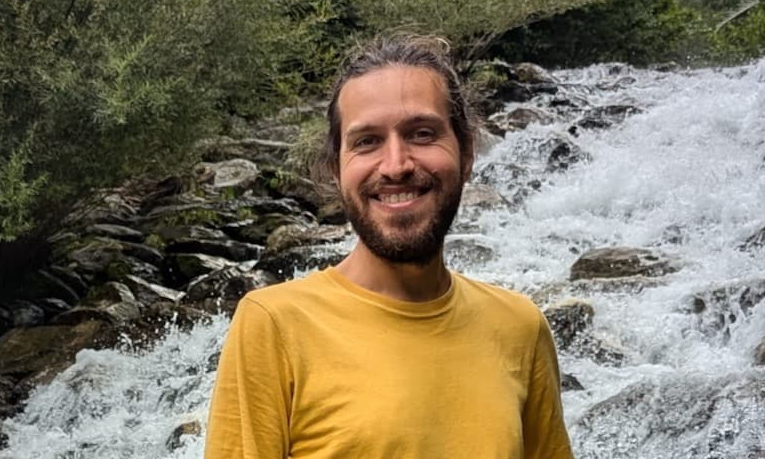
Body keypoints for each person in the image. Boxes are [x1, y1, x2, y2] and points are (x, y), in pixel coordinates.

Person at [202, 34, 573, 459]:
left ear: (467, 152)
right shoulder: (274, 326)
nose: (396, 165)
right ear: (335, 170)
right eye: (367, 142)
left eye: (421, 133)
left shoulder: (520, 327)